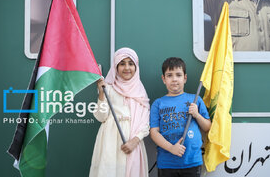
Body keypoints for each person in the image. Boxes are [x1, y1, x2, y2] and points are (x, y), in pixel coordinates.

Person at [89, 47, 150, 177]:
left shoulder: (140, 91)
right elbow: (101, 117)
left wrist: (135, 141)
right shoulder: (108, 88)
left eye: (130, 63)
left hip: (133, 142)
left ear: (136, 66)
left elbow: (145, 121)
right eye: (122, 63)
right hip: (109, 141)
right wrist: (101, 92)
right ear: (116, 67)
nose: (127, 67)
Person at [150, 57, 211, 177]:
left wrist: (197, 115)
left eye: (178, 75)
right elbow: (154, 132)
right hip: (167, 163)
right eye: (169, 75)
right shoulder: (158, 103)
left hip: (192, 161)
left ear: (185, 78)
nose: (174, 79)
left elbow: (208, 127)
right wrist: (171, 148)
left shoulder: (195, 100)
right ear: (163, 79)